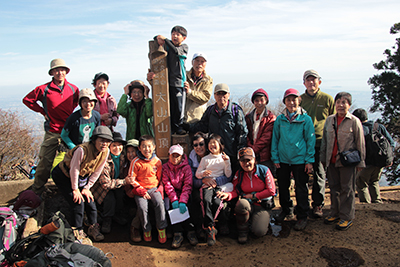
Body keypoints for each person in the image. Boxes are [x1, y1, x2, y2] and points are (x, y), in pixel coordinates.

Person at [23, 58, 79, 194]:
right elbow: (27, 100)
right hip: (53, 130)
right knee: (44, 163)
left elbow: (76, 103)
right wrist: (43, 111)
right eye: (56, 70)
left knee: (73, 162)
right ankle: (36, 192)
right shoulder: (44, 89)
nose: (60, 72)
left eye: (62, 70)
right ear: (52, 72)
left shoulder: (73, 89)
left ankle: (70, 190)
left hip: (69, 131)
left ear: (66, 72)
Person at [51, 126, 113, 242]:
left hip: (81, 178)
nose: (104, 144)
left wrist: (87, 188)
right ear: (94, 140)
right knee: (78, 203)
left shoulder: (105, 152)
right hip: (64, 175)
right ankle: (77, 230)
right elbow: (74, 169)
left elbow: (97, 171)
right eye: (101, 140)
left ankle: (93, 227)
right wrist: (75, 190)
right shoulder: (82, 150)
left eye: (107, 141)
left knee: (90, 202)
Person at [271, 88, 315, 231]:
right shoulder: (280, 119)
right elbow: (275, 140)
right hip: (283, 159)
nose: (291, 103)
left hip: (300, 160)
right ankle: (286, 210)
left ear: (299, 101)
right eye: (288, 100)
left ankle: (302, 216)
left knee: (301, 188)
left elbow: (310, 140)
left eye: (294, 99)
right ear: (284, 102)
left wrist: (309, 160)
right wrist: (275, 157)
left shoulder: (306, 119)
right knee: (283, 187)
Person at [320, 92, 365, 230]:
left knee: (347, 189)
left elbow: (360, 143)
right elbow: (325, 142)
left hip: (347, 162)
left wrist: (361, 162)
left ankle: (346, 217)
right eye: (338, 102)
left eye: (344, 102)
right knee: (334, 188)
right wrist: (323, 159)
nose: (340, 105)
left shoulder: (354, 121)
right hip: (331, 161)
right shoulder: (330, 120)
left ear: (349, 105)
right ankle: (335, 213)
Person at [217, 147, 276, 244]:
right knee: (241, 204)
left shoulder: (264, 170)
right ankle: (242, 232)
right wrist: (228, 195)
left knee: (259, 232)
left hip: (262, 205)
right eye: (242, 161)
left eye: (248, 160)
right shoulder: (239, 174)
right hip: (247, 204)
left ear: (254, 159)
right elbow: (236, 191)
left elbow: (271, 191)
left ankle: (259, 221)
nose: (246, 163)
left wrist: (254, 196)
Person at [188, 83, 248, 173]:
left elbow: (242, 133)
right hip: (214, 155)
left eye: (224, 93)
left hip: (231, 154)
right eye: (218, 94)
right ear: (214, 96)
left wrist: (239, 153)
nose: (221, 96)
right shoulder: (210, 110)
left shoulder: (235, 110)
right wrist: (186, 126)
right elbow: (202, 126)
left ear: (228, 95)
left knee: (231, 179)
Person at [300, 70, 335, 218]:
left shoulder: (327, 99)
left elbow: (334, 120)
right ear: (304, 83)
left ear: (319, 82)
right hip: (303, 143)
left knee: (320, 175)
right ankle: (303, 205)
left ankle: (318, 205)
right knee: (302, 176)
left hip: (321, 142)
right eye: (308, 80)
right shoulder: (300, 99)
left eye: (314, 80)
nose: (311, 83)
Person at [125, 135, 167, 243]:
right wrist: (140, 189)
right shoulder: (136, 162)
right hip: (140, 189)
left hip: (154, 188)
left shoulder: (157, 161)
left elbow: (160, 177)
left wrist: (160, 187)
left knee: (159, 203)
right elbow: (131, 178)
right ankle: (146, 229)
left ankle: (161, 228)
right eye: (143, 146)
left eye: (149, 146)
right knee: (142, 208)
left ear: (154, 147)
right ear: (139, 148)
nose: (146, 149)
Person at [195, 134, 232, 246]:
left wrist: (227, 162)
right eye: (210, 143)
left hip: (220, 186)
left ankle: (210, 225)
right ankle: (210, 227)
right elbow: (197, 174)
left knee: (217, 202)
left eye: (214, 142)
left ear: (221, 145)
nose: (212, 145)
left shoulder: (224, 158)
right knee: (206, 201)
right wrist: (203, 174)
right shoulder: (205, 159)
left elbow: (228, 174)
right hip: (207, 186)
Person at [151, 25, 188, 135]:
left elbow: (176, 52)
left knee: (179, 107)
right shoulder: (168, 46)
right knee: (169, 106)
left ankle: (179, 127)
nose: (175, 36)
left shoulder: (184, 47)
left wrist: (166, 40)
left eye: (178, 34)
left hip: (179, 82)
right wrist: (157, 38)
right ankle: (171, 127)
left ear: (184, 38)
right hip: (167, 82)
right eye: (173, 34)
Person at [352, 108, 394, 203]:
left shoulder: (360, 129)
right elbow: (391, 143)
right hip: (380, 162)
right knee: (374, 181)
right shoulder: (378, 126)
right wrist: (389, 158)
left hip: (367, 162)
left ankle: (366, 205)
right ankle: (377, 202)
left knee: (361, 182)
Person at [162, 144, 198, 248]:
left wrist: (182, 200)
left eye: (177, 156)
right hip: (172, 194)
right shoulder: (165, 168)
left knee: (189, 205)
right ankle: (177, 233)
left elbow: (188, 185)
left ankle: (190, 231)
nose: (175, 158)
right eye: (173, 155)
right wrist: (174, 199)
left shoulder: (186, 168)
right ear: (169, 156)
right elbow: (167, 184)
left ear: (182, 157)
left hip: (184, 193)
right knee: (169, 206)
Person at [91, 132, 128, 234]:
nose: (117, 148)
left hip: (115, 183)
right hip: (101, 188)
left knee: (120, 194)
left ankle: (116, 214)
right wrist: (124, 181)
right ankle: (107, 219)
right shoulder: (105, 160)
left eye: (119, 145)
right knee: (109, 198)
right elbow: (105, 184)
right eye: (114, 145)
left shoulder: (122, 157)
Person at [245, 88, 276, 176]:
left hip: (265, 156)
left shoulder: (271, 118)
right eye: (256, 100)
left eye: (262, 100)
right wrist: (249, 147)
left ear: (266, 101)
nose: (259, 103)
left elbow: (266, 138)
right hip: (250, 154)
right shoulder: (248, 117)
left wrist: (252, 150)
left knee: (266, 179)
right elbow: (245, 133)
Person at [187, 132, 209, 236]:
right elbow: (191, 178)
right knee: (196, 198)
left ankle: (211, 227)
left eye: (201, 144)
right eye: (195, 145)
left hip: (213, 185)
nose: (198, 147)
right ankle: (199, 228)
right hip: (198, 185)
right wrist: (202, 181)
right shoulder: (192, 158)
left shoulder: (213, 155)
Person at [184, 53, 213, 124]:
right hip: (182, 118)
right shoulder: (184, 75)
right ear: (192, 62)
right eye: (197, 60)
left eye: (202, 61)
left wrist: (190, 92)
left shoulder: (208, 80)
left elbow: (205, 97)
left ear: (205, 64)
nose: (199, 64)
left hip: (198, 119)